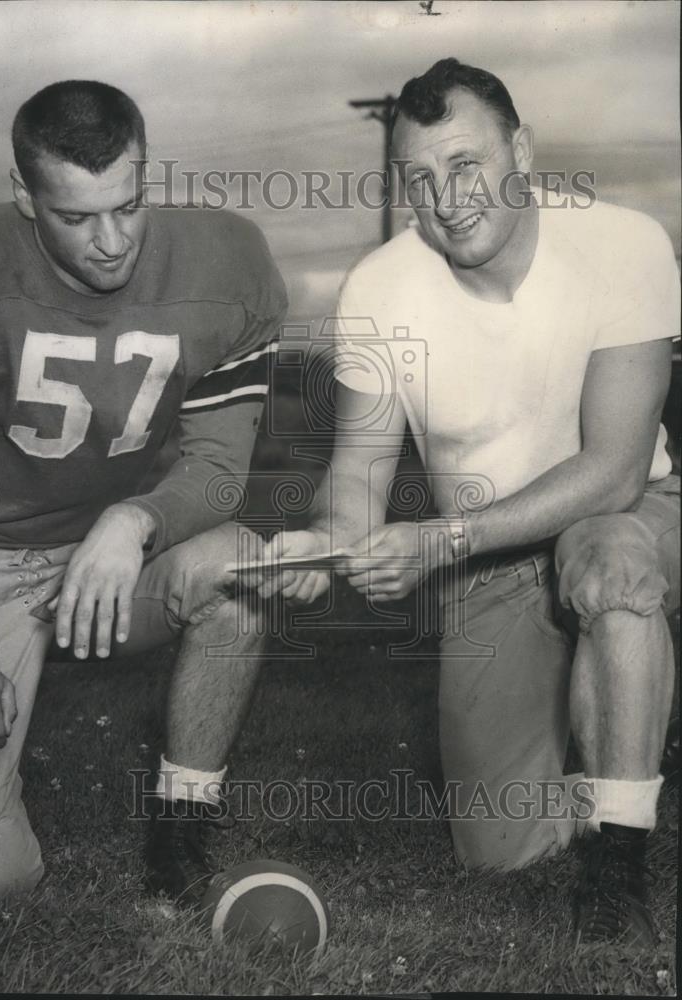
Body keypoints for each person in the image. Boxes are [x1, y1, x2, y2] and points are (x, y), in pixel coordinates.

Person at [261, 58, 680, 948]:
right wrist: (327, 544)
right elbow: (359, 475)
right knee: (500, 850)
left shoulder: (625, 241)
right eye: (419, 177)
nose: (445, 198)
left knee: (608, 566)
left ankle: (618, 864)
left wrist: (442, 539)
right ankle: (605, 738)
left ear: (520, 151)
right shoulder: (379, 286)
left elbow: (614, 469)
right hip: (487, 562)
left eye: (464, 163)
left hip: (628, 515)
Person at [0, 79, 286, 906]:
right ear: (24, 194)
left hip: (108, 560)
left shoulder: (228, 263)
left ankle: (181, 835)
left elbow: (217, 469)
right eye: (75, 216)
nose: (109, 242)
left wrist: (134, 520)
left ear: (146, 172)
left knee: (242, 568)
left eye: (127, 206)